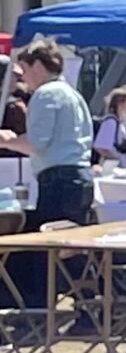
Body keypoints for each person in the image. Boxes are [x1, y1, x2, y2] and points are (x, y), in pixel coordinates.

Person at [0, 38, 95, 231]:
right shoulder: (73, 94)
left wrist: (8, 141)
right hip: (80, 177)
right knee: (71, 247)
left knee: (51, 246)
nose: (23, 79)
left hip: (59, 182)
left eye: (24, 70)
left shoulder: (45, 94)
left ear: (37, 65)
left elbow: (36, 143)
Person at [90, 83, 126, 171]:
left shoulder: (122, 121)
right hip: (113, 170)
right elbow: (100, 147)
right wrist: (114, 160)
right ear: (121, 103)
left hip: (124, 168)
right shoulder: (111, 122)